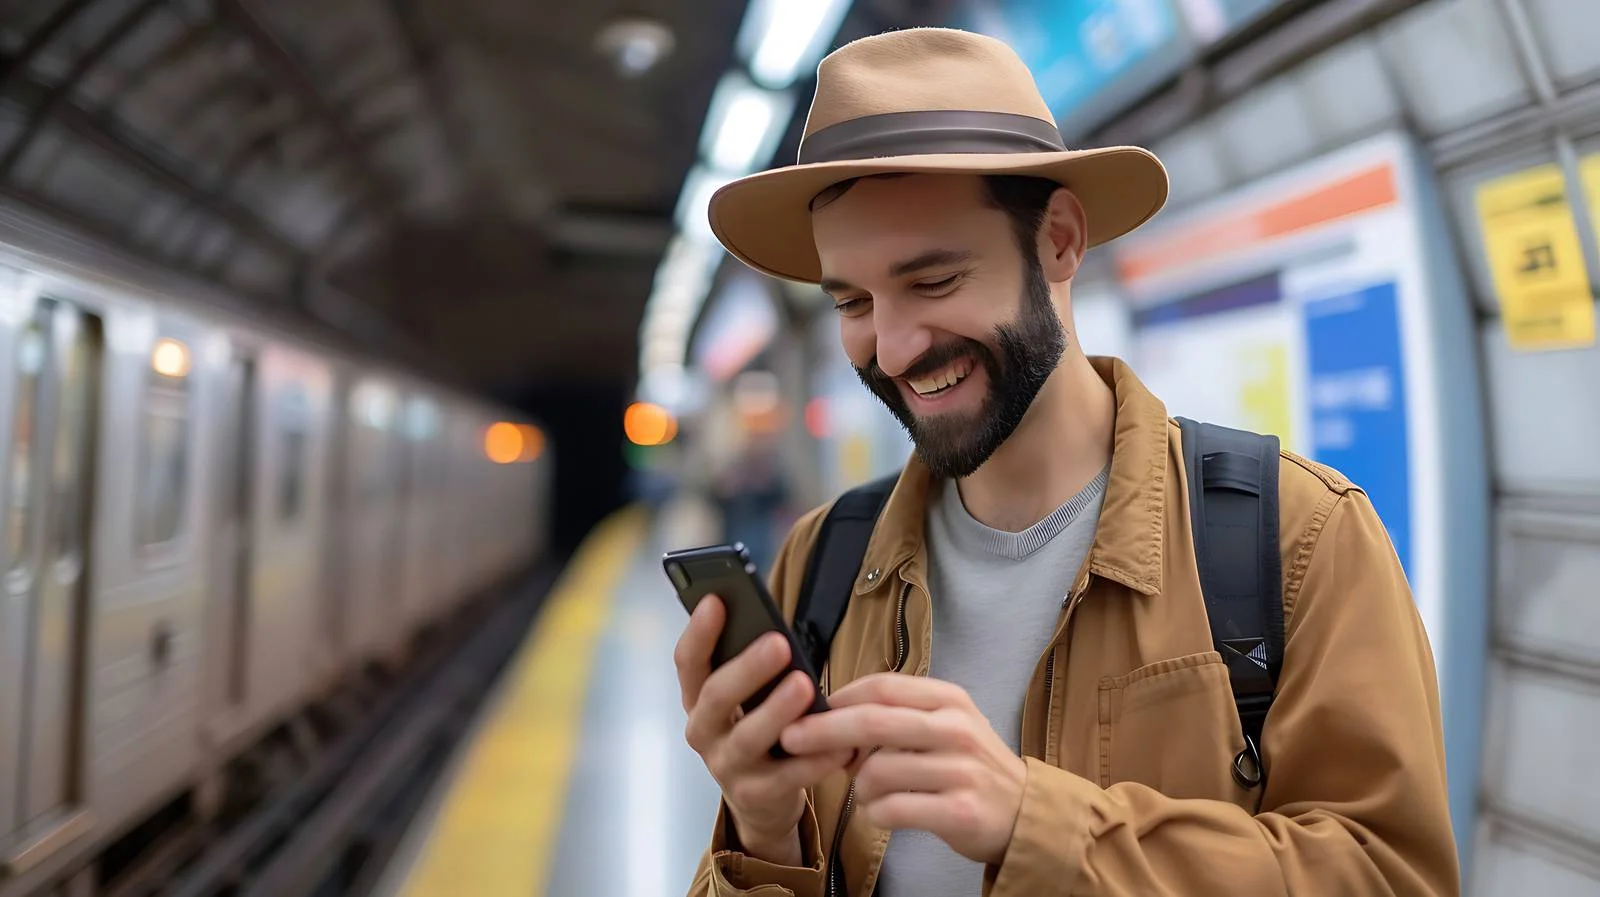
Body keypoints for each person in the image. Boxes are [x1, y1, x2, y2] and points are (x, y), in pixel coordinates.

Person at [673, 26, 1457, 897]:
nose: (891, 350)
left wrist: (1032, 822)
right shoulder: (823, 563)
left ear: (1059, 241)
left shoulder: (1299, 538)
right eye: (852, 302)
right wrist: (765, 829)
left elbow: (1392, 875)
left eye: (933, 282)